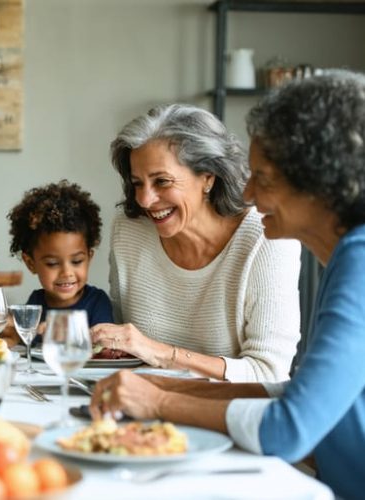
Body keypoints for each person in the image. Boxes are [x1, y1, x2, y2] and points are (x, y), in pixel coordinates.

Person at [88, 70, 365, 500]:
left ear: (317, 179)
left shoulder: (360, 262)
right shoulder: (346, 256)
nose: (250, 192)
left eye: (265, 177)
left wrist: (159, 402)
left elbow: (288, 428)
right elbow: (298, 393)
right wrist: (166, 385)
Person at [91, 104, 301, 382]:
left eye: (162, 182)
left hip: (226, 415)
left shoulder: (266, 238)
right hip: (143, 410)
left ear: (207, 177)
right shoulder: (129, 229)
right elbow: (126, 350)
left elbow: (269, 372)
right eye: (137, 183)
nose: (144, 200)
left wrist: (163, 354)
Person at [6, 180, 113, 343]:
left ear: (89, 258)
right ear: (31, 263)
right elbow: (22, 342)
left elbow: (105, 343)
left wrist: (62, 331)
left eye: (77, 261)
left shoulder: (97, 301)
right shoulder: (35, 304)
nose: (67, 273)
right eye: (52, 264)